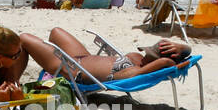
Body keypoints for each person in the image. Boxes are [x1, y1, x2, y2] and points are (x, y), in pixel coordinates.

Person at [21, 29, 191, 82]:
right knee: (56, 31)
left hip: (70, 69)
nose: (144, 54)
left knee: (23, 39)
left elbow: (169, 63)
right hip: (81, 57)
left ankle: (11, 80)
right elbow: (186, 54)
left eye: (149, 54)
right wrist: (184, 48)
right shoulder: (140, 62)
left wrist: (164, 61)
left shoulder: (133, 72)